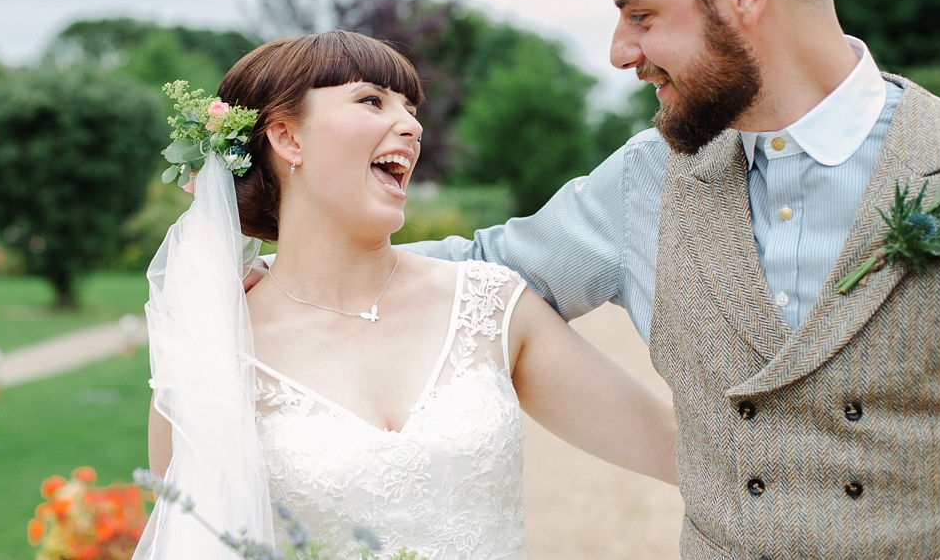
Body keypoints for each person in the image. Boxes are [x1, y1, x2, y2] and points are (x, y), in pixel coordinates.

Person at [405, 0, 940, 558]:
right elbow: (479, 273)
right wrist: (268, 268)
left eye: (641, 15)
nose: (619, 52)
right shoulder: (648, 175)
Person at [137, 30, 676, 560]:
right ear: (288, 139)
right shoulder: (212, 352)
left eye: (411, 108)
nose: (412, 125)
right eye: (371, 100)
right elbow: (190, 541)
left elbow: (686, 453)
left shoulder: (493, 306)